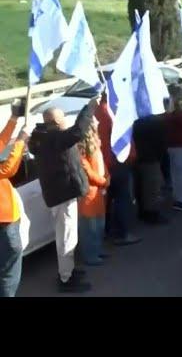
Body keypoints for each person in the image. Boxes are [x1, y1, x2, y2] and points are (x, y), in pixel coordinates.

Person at [29, 99, 99, 293]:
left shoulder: (42, 137)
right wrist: (90, 107)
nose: (64, 123)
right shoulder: (53, 138)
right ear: (56, 123)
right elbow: (78, 131)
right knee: (66, 237)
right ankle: (66, 279)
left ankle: (67, 270)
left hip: (59, 195)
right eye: (62, 120)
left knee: (67, 235)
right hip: (62, 195)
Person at [94, 93, 141, 246]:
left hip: (102, 164)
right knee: (123, 198)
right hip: (118, 162)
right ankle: (123, 233)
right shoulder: (114, 114)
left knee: (107, 200)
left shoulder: (95, 112)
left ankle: (107, 231)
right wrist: (132, 156)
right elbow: (124, 140)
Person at [0, 109, 29, 297]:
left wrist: (14, 118)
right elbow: (8, 169)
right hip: (4, 221)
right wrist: (21, 140)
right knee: (9, 269)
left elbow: (1, 142)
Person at [77, 118, 110, 266]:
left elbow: (102, 164)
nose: (98, 123)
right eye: (95, 122)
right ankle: (90, 254)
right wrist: (103, 181)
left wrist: (107, 176)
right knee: (89, 226)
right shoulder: (81, 147)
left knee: (99, 223)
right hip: (89, 192)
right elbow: (86, 170)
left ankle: (97, 249)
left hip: (99, 190)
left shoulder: (96, 144)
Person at [132, 113, 169, 225]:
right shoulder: (158, 122)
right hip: (152, 158)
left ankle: (142, 211)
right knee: (152, 187)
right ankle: (152, 214)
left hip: (138, 157)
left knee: (140, 185)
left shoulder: (136, 121)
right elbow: (162, 142)